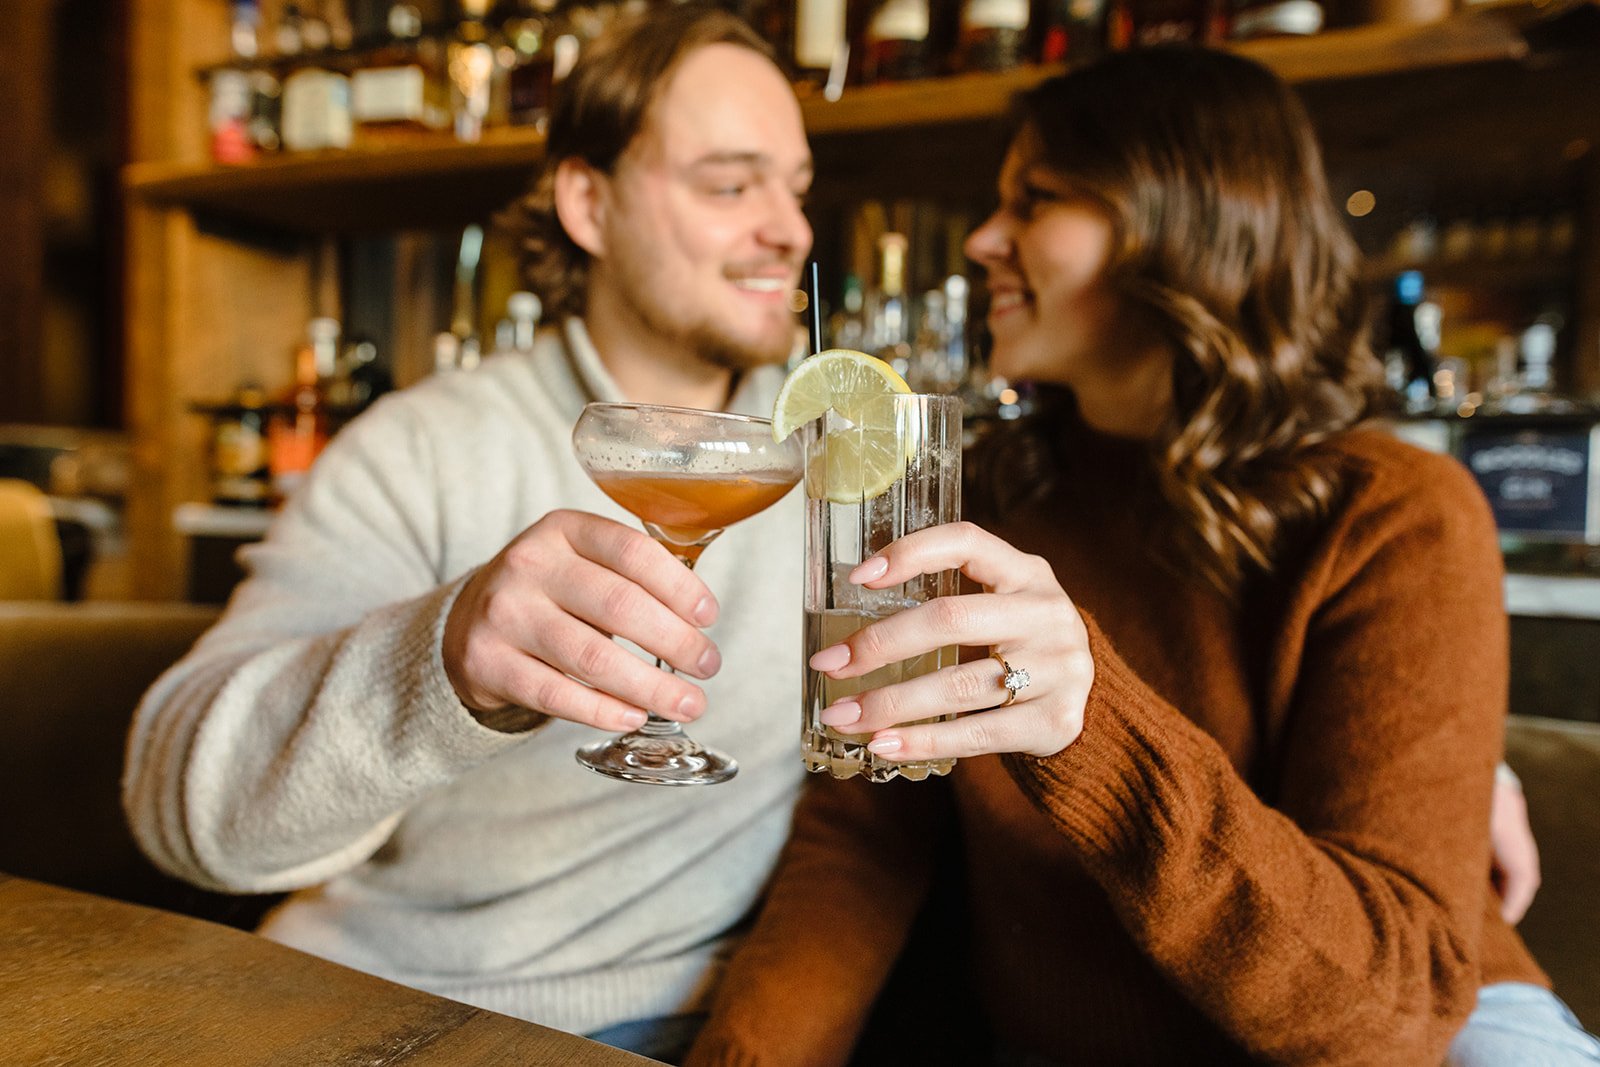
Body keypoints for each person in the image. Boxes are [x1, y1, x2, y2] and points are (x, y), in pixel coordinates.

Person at [685, 47, 1600, 1066]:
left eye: (1035, 200)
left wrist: (1090, 721)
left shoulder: (1396, 511)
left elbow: (1391, 1015)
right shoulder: (981, 492)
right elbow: (866, 834)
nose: (984, 239)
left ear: (1184, 224)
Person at [123, 7, 813, 1061]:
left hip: (672, 1017)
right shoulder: (424, 446)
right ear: (588, 200)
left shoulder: (838, 468)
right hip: (375, 1003)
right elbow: (179, 808)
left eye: (795, 187)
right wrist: (436, 658)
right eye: (729, 184)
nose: (789, 229)